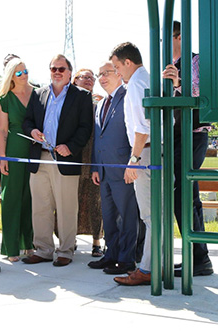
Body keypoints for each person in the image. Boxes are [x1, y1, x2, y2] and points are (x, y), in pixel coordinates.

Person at [22, 54, 93, 267]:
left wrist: (70, 147)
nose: (57, 72)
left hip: (65, 160)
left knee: (66, 208)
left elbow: (85, 128)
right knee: (41, 207)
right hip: (40, 157)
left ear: (70, 73)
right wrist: (33, 130)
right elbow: (27, 121)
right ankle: (43, 250)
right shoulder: (38, 94)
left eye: (61, 69)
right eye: (53, 68)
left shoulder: (81, 96)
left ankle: (65, 251)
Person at [162, 21, 213, 276]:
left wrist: (179, 84)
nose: (162, 43)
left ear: (179, 37)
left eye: (165, 37)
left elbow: (203, 96)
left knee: (183, 196)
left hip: (192, 135)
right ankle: (198, 257)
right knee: (186, 197)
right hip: (174, 136)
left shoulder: (197, 62)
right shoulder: (166, 67)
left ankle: (199, 258)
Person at [88, 61, 139, 274]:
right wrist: (95, 166)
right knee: (108, 216)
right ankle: (111, 255)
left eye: (106, 73)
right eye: (99, 74)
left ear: (118, 73)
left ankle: (126, 260)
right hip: (104, 170)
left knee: (127, 216)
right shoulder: (101, 104)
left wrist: (133, 162)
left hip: (123, 169)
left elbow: (136, 131)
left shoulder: (128, 96)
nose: (102, 78)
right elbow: (97, 138)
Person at [110, 42, 152, 285]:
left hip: (145, 152)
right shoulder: (147, 79)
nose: (117, 72)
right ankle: (153, 265)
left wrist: (133, 160)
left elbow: (142, 127)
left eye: (117, 67)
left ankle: (146, 270)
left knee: (149, 216)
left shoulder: (136, 83)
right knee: (156, 215)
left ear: (128, 62)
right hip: (156, 150)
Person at [0, 58, 35, 262]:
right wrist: (3, 157)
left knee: (31, 197)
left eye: (26, 71)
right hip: (13, 149)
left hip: (35, 151)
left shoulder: (38, 93)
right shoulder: (5, 98)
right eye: (19, 73)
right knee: (11, 198)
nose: (24, 75)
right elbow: (2, 130)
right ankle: (11, 247)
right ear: (11, 76)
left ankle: (29, 244)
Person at [72, 68, 104, 257]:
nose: (89, 80)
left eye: (92, 78)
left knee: (95, 201)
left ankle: (96, 242)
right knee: (71, 200)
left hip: (94, 156)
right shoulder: (70, 101)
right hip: (74, 157)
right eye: (84, 77)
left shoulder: (100, 102)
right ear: (75, 80)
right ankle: (69, 239)